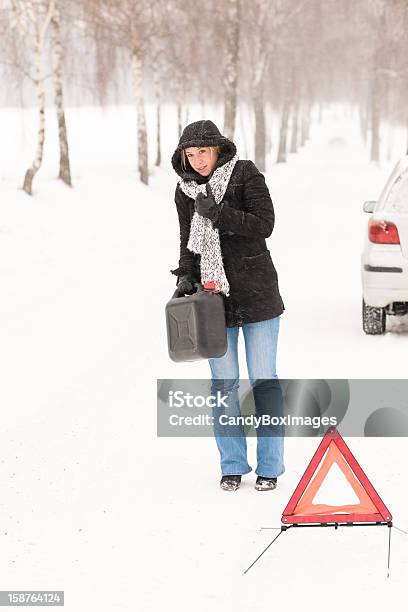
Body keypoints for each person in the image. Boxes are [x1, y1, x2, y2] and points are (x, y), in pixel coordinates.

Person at [170, 119, 285, 492]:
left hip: (257, 295)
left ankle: (269, 466)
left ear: (218, 149)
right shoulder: (184, 190)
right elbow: (189, 238)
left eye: (203, 151)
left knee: (264, 380)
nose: (198, 160)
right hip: (213, 299)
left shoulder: (245, 174)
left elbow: (264, 224)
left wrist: (219, 214)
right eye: (191, 153)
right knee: (223, 384)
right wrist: (185, 275)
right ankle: (232, 464)